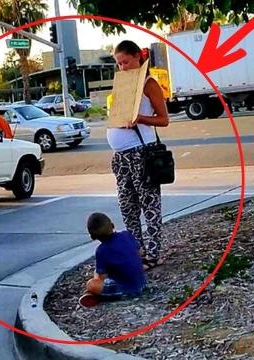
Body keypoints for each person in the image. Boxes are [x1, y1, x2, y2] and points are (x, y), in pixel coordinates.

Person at [107, 40, 170, 270]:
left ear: (137, 57)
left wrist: (140, 119)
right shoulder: (123, 84)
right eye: (118, 64)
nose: (122, 67)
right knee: (127, 206)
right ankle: (136, 251)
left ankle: (152, 255)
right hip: (121, 156)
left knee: (149, 204)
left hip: (141, 153)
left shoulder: (148, 83)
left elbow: (164, 120)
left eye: (125, 62)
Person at [79, 212, 146, 308]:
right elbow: (140, 252)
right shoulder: (126, 235)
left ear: (93, 237)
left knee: (92, 283)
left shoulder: (101, 251)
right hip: (141, 282)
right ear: (112, 225)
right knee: (102, 272)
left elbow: (102, 276)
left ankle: (91, 293)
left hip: (125, 289)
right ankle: (94, 294)